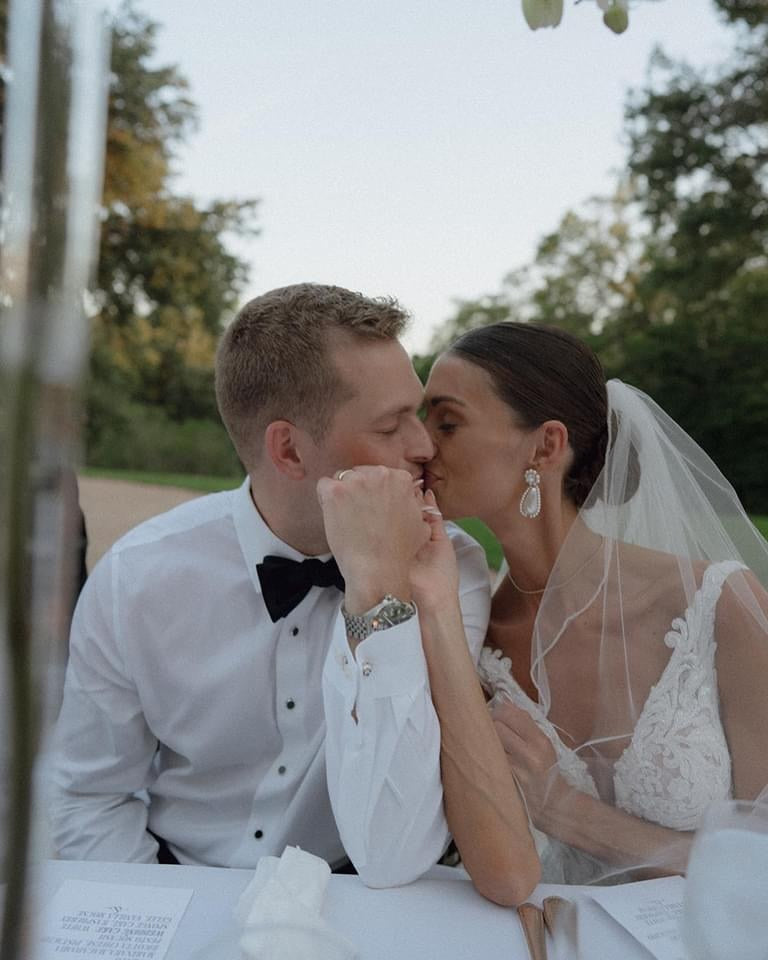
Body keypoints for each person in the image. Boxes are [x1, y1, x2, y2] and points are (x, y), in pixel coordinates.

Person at [48, 283, 502, 889]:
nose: (423, 447)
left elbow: (400, 847)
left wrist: (376, 589)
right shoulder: (137, 578)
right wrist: (158, 916)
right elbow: (90, 795)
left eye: (417, 414)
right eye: (392, 425)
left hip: (359, 896)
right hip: (165, 878)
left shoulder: (448, 568)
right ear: (288, 449)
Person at [418, 320, 768, 887]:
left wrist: (561, 808)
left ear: (546, 445)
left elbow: (761, 867)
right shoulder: (465, 634)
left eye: (447, 423)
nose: (418, 445)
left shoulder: (717, 606)